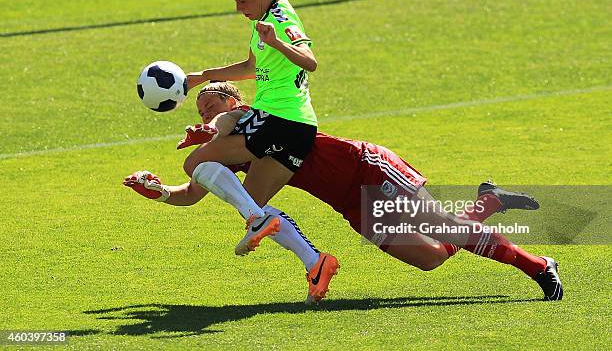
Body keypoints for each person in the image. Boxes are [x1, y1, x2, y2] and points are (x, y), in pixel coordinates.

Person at [124, 83, 563, 302]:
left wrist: (212, 127)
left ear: (233, 102)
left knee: (441, 224)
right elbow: (194, 190)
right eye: (200, 110)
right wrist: (160, 192)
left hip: (365, 167)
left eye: (211, 106)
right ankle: (489, 202)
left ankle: (538, 265)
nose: (207, 113)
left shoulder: (254, 117)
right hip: (348, 202)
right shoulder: (225, 155)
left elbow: (230, 120)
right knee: (431, 258)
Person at [182, 0, 322, 265]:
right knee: (253, 203)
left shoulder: (281, 22)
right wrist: (205, 76)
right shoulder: (264, 18)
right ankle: (316, 263)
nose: (238, 8)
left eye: (242, 1)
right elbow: (250, 67)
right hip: (299, 127)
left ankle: (257, 220)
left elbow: (309, 61)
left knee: (196, 164)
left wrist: (276, 43)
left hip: (278, 119)